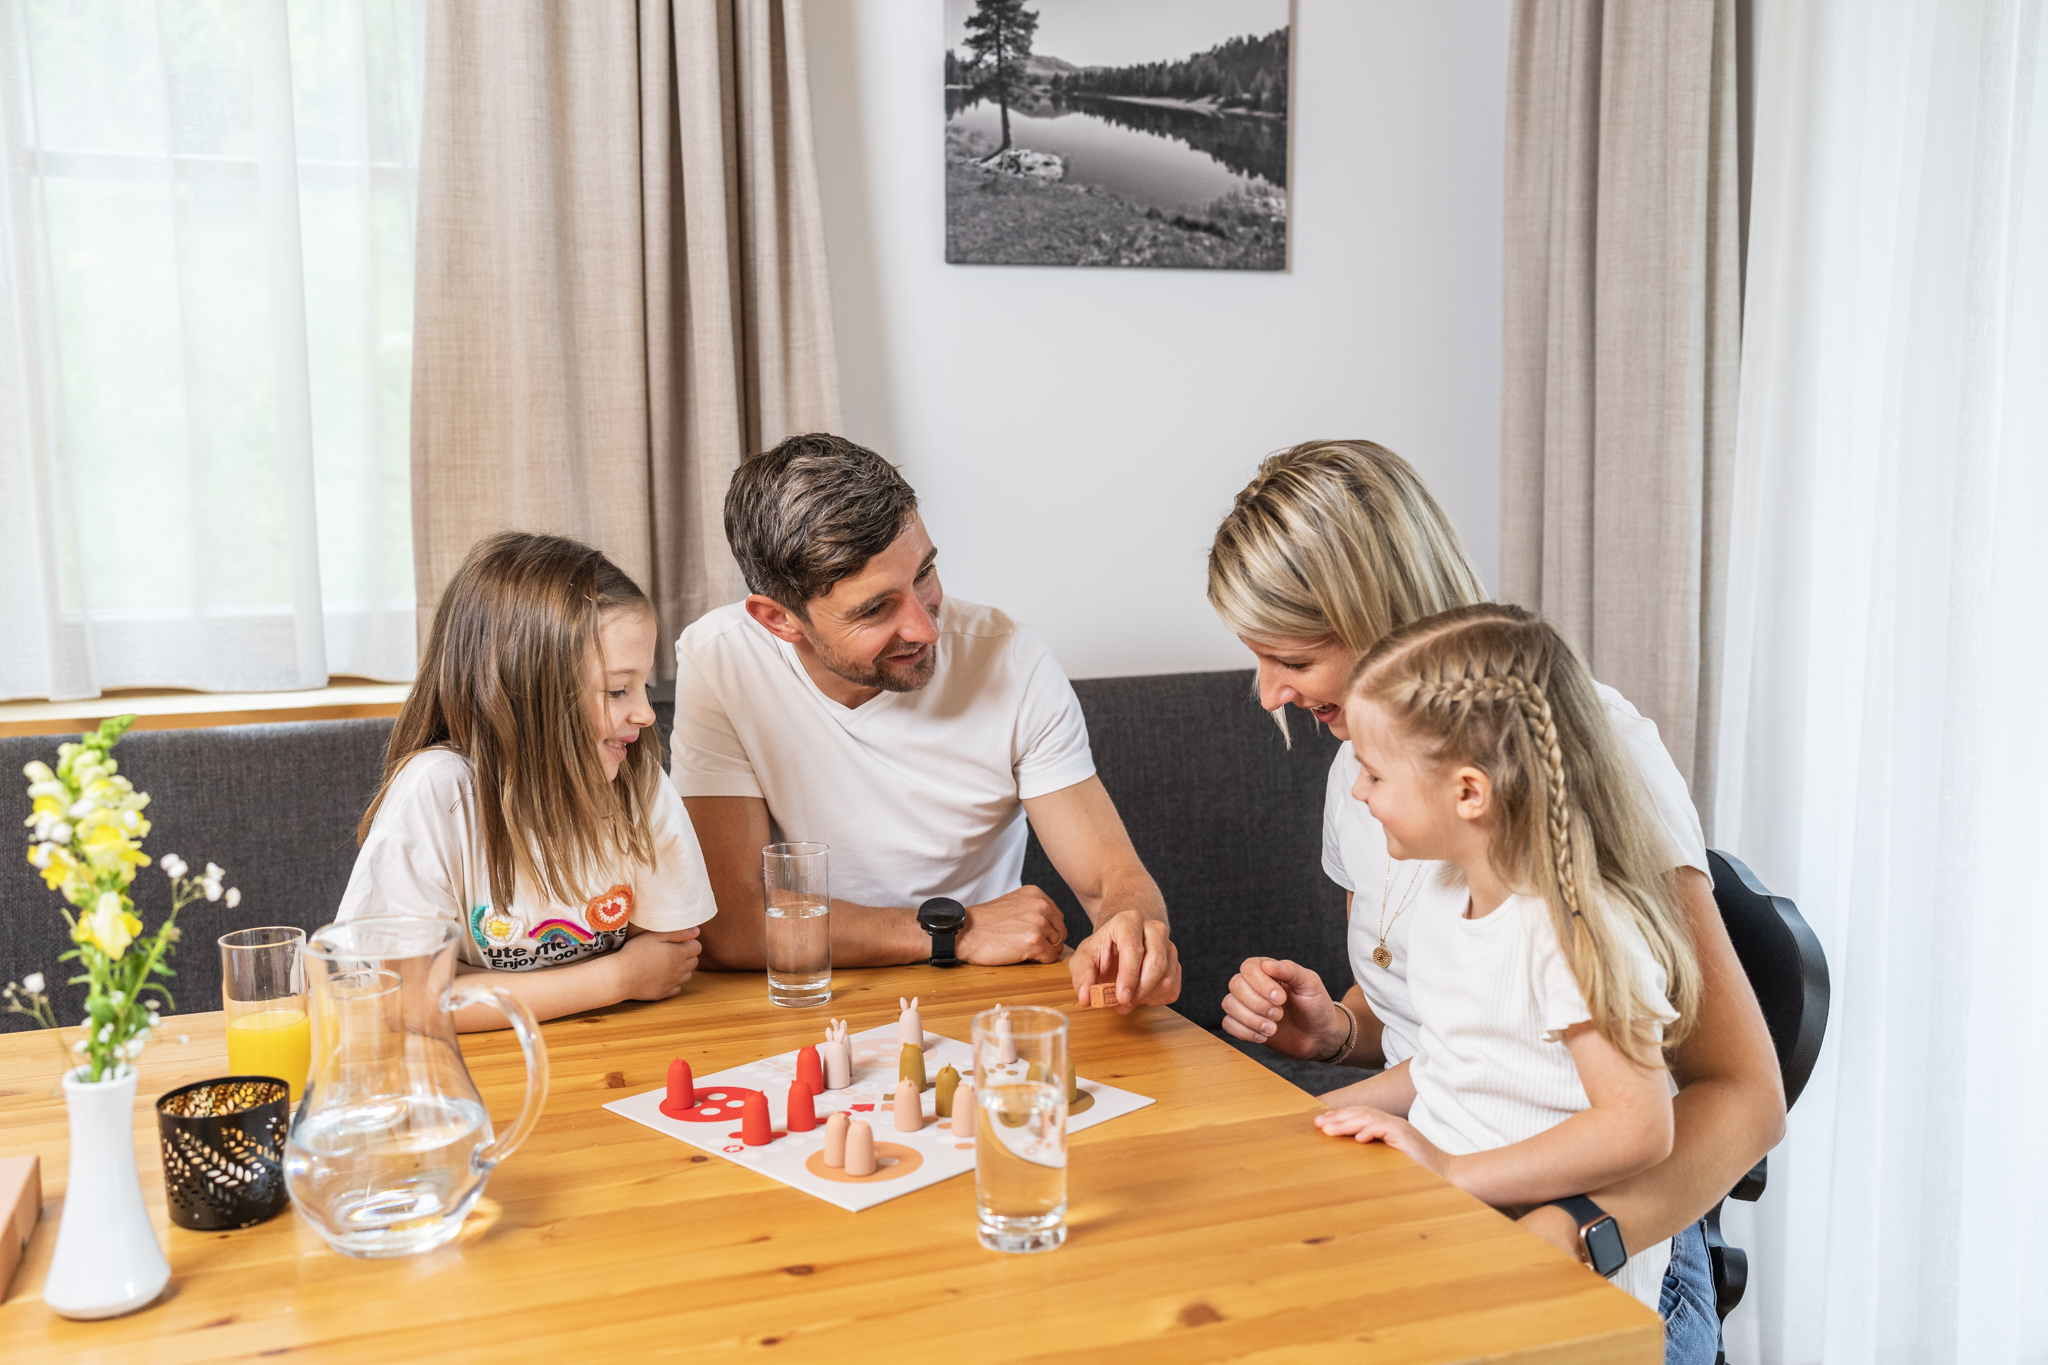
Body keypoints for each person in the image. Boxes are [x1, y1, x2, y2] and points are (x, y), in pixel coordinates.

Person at [1207, 440, 1782, 1361]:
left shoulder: (1588, 758)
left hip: (1600, 1243)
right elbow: (1445, 1007)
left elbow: (1745, 1096)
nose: (1268, 692)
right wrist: (1334, 1034)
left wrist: (1576, 1229)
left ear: (1375, 615)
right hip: (1443, 1197)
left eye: (1292, 656)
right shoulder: (1370, 777)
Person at [671, 433, 1179, 1009]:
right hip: (812, 993)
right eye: (875, 608)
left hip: (984, 997)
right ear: (779, 620)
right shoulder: (722, 659)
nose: (926, 628)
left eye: (925, 574)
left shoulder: (1009, 658)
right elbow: (731, 921)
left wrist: (1132, 931)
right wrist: (953, 930)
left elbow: (1113, 877)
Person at [1313, 604, 1700, 1309]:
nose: (1357, 792)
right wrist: (1313, 1114)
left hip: (1554, 1265)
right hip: (1456, 1223)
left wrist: (1459, 1171)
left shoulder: (1575, 929)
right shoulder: (1439, 893)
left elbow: (1638, 1125)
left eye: (1372, 774)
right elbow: (1449, 1062)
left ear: (1467, 791)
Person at [338, 532, 717, 1030]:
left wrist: (471, 990)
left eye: (643, 685)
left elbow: (670, 952)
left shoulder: (634, 777)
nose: (646, 713)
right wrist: (616, 979)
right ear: (527, 692)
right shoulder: (441, 791)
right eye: (619, 689)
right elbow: (405, 1000)